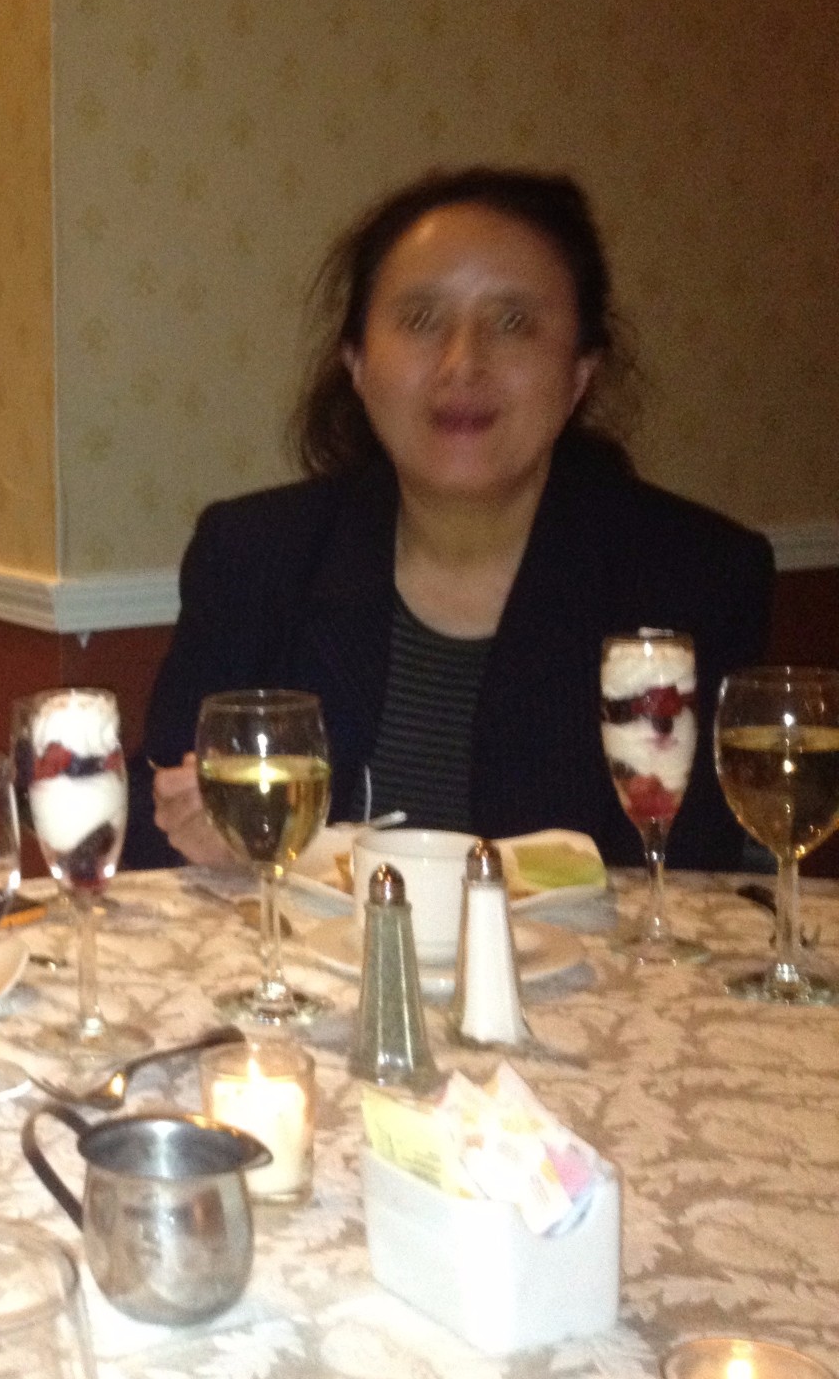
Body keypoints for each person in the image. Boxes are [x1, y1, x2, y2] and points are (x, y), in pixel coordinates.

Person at [133, 167, 773, 872]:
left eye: (513, 323)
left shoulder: (694, 575)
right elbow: (152, 826)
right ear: (356, 362)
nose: (463, 363)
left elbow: (690, 874)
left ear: (580, 373)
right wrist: (199, 833)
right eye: (420, 320)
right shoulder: (255, 556)